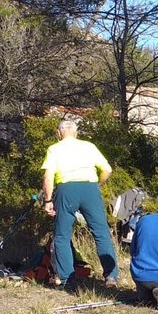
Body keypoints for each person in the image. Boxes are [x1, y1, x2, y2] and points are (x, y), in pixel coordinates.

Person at [40, 119, 120, 289]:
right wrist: (97, 184)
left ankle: (68, 278)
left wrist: (47, 200)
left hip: (66, 189)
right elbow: (108, 170)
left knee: (62, 235)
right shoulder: (89, 147)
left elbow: (48, 177)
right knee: (101, 232)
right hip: (89, 188)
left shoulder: (54, 149)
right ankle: (111, 276)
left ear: (58, 133)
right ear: (76, 133)